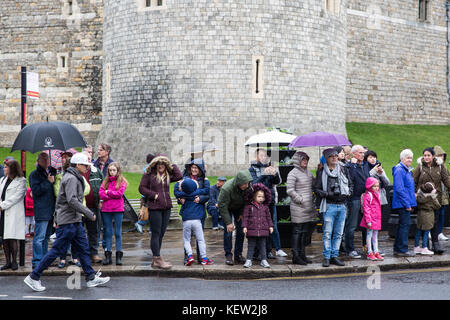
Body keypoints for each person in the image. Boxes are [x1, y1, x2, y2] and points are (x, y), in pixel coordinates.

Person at [24, 153, 110, 292]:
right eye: (85, 165)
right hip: (68, 222)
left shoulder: (74, 177)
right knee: (57, 250)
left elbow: (63, 201)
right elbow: (72, 200)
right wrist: (88, 213)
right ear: (77, 165)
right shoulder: (71, 178)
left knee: (83, 249)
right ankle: (34, 277)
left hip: (74, 221)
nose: (87, 168)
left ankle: (90, 277)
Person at [138, 155, 183, 269]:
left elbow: (179, 175)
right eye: (159, 164)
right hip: (154, 207)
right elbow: (141, 188)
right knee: (156, 233)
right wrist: (154, 195)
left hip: (166, 207)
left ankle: (155, 259)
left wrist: (171, 163)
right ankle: (157, 258)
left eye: (163, 164)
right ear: (155, 165)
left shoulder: (167, 175)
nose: (161, 166)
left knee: (161, 234)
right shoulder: (149, 175)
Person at [314, 148, 353, 267]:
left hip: (342, 205)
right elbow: (316, 189)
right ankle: (326, 256)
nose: (335, 158)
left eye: (336, 156)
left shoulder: (343, 170)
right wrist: (326, 194)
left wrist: (349, 192)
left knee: (338, 233)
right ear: (327, 158)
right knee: (327, 233)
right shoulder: (322, 172)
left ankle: (334, 255)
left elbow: (351, 184)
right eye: (331, 156)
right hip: (329, 205)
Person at [248, 148, 287, 258]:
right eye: (261, 155)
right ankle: (260, 251)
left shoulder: (270, 166)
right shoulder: (252, 169)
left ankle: (271, 250)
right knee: (260, 226)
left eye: (265, 155)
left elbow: (276, 182)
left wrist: (275, 174)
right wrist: (264, 174)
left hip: (270, 201)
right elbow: (254, 184)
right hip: (258, 203)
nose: (264, 157)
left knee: (272, 225)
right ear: (257, 157)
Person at [412, 147, 450, 254]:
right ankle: (424, 245)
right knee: (424, 222)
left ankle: (435, 243)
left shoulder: (440, 166)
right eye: (425, 155)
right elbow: (413, 181)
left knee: (435, 221)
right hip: (423, 199)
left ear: (433, 156)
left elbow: (446, 179)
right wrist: (414, 194)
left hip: (435, 199)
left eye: (428, 155)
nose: (426, 157)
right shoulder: (419, 166)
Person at [174, 178, 214, 266]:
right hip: (197, 220)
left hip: (186, 220)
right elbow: (207, 189)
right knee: (200, 240)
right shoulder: (197, 192)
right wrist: (206, 181)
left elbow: (175, 192)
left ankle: (189, 256)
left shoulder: (182, 194)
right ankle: (204, 258)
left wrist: (178, 183)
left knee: (186, 240)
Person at [286, 151, 316, 265]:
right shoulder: (293, 173)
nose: (305, 162)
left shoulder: (308, 173)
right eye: (303, 159)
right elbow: (289, 190)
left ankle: (303, 255)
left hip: (308, 208)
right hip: (298, 207)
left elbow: (313, 184)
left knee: (304, 233)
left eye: (306, 160)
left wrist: (319, 170)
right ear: (298, 161)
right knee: (297, 232)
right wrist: (300, 199)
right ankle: (296, 256)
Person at [218, 170, 253, 265]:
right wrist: (229, 222)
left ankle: (238, 255)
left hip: (239, 208)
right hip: (227, 207)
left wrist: (242, 213)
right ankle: (228, 255)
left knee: (241, 230)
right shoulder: (226, 188)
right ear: (239, 182)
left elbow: (247, 201)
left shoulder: (248, 187)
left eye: (248, 183)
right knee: (228, 231)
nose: (247, 185)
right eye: (244, 183)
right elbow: (222, 205)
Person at [179, 158, 210, 264]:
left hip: (199, 210)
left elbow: (207, 195)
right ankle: (187, 256)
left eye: (196, 167)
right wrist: (180, 200)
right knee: (187, 237)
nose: (194, 169)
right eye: (192, 167)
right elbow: (179, 193)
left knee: (199, 236)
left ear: (200, 169)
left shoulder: (204, 180)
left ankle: (201, 257)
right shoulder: (185, 179)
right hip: (187, 210)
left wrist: (200, 199)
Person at [29, 152, 56, 269]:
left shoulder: (51, 172)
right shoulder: (34, 175)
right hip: (41, 210)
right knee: (39, 237)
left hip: (51, 209)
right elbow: (36, 191)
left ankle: (44, 260)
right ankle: (37, 261)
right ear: (38, 161)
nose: (46, 161)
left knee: (46, 237)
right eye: (44, 160)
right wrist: (48, 182)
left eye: (47, 159)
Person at [0, 159, 27, 270]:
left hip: (14, 212)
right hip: (3, 212)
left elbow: (17, 197)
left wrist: (3, 205)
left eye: (6, 167)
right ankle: (7, 262)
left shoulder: (21, 180)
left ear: (12, 168)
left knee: (13, 237)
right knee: (5, 237)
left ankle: (15, 261)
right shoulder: (2, 180)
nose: (4, 169)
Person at [99, 162, 128, 265]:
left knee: (117, 233)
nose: (112, 172)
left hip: (117, 209)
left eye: (114, 170)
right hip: (106, 209)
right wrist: (108, 195)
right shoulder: (105, 181)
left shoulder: (122, 181)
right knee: (108, 232)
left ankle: (119, 255)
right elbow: (101, 193)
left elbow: (119, 194)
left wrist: (108, 192)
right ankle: (108, 254)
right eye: (110, 170)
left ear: (118, 171)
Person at [344, 145, 370, 259]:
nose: (362, 155)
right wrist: (353, 165)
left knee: (367, 224)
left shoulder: (365, 165)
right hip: (354, 198)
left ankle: (368, 247)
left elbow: (367, 178)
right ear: (354, 154)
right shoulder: (349, 166)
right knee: (352, 225)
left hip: (365, 197)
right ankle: (350, 249)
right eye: (360, 153)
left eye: (363, 153)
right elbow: (351, 179)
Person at [364, 150, 390, 256]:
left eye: (374, 157)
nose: (373, 159)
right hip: (370, 198)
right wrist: (374, 171)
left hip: (380, 198)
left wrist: (381, 173)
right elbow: (367, 180)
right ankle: (368, 248)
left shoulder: (379, 166)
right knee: (369, 226)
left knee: (377, 225)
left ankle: (376, 249)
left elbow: (387, 182)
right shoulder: (365, 167)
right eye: (370, 157)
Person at [242, 183, 274, 268]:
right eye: (259, 196)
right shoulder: (249, 206)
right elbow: (245, 217)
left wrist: (270, 226)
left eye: (263, 197)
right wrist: (244, 226)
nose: (261, 198)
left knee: (263, 246)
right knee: (251, 246)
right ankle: (249, 260)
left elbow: (268, 217)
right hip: (252, 229)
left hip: (263, 229)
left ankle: (264, 260)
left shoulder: (265, 207)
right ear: (254, 196)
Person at [392, 149, 417, 257]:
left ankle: (398, 248)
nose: (410, 160)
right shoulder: (400, 170)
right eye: (407, 157)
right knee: (404, 226)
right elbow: (399, 189)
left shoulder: (405, 170)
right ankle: (402, 249)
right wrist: (407, 204)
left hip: (405, 202)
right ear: (402, 158)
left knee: (402, 225)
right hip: (403, 203)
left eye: (411, 158)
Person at [81, 151, 104, 264]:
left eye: (90, 158)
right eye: (86, 158)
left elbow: (104, 186)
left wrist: (101, 200)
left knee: (94, 231)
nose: (88, 160)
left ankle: (94, 253)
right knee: (79, 233)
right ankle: (80, 255)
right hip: (80, 208)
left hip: (93, 207)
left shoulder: (96, 172)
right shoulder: (78, 172)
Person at [360, 177, 383, 261]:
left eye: (377, 186)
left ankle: (376, 251)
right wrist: (368, 221)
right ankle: (370, 252)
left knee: (375, 236)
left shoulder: (377, 194)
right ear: (370, 187)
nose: (376, 188)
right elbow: (366, 209)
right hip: (370, 220)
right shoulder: (368, 195)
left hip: (376, 219)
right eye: (374, 186)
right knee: (369, 236)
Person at [414, 182, 441, 256]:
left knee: (419, 231)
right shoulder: (431, 198)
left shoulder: (419, 196)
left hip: (420, 214)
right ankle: (424, 247)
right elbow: (438, 206)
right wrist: (434, 197)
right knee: (426, 232)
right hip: (428, 215)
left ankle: (416, 247)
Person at [135, 153, 155, 234]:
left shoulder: (146, 168)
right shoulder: (149, 169)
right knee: (148, 212)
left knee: (150, 212)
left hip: (145, 194)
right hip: (148, 195)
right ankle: (141, 223)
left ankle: (151, 229)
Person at [433, 145, 449, 241]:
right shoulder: (432, 166)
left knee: (442, 213)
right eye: (440, 155)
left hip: (443, 194)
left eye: (443, 155)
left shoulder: (444, 166)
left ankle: (439, 232)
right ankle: (432, 232)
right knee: (434, 214)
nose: (442, 157)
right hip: (434, 194)